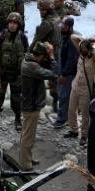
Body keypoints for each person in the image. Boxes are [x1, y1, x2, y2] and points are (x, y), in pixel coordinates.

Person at [19, 41, 57, 171]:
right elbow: (52, 73)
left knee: (27, 133)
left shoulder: (28, 60)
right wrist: (51, 56)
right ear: (40, 56)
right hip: (31, 105)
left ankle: (27, 158)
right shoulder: (32, 67)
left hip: (29, 103)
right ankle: (25, 164)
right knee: (28, 136)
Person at [0, 11, 27, 130]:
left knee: (16, 98)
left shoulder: (22, 37)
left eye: (15, 23)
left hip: (17, 74)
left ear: (19, 25)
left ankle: (17, 119)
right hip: (3, 72)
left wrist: (25, 73)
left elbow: (27, 55)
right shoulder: (1, 36)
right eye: (10, 22)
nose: (12, 25)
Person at [67, 36, 95, 143]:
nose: (81, 52)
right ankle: (73, 130)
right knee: (71, 110)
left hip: (86, 89)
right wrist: (85, 40)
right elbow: (73, 37)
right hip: (75, 86)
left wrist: (91, 47)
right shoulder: (81, 51)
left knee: (85, 114)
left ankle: (84, 135)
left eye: (83, 51)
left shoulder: (94, 57)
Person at [54, 16, 79, 129]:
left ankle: (61, 119)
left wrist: (64, 74)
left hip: (68, 73)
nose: (61, 27)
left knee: (64, 96)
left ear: (69, 27)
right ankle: (66, 117)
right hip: (62, 69)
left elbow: (71, 59)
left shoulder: (71, 40)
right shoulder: (64, 36)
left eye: (63, 25)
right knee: (62, 94)